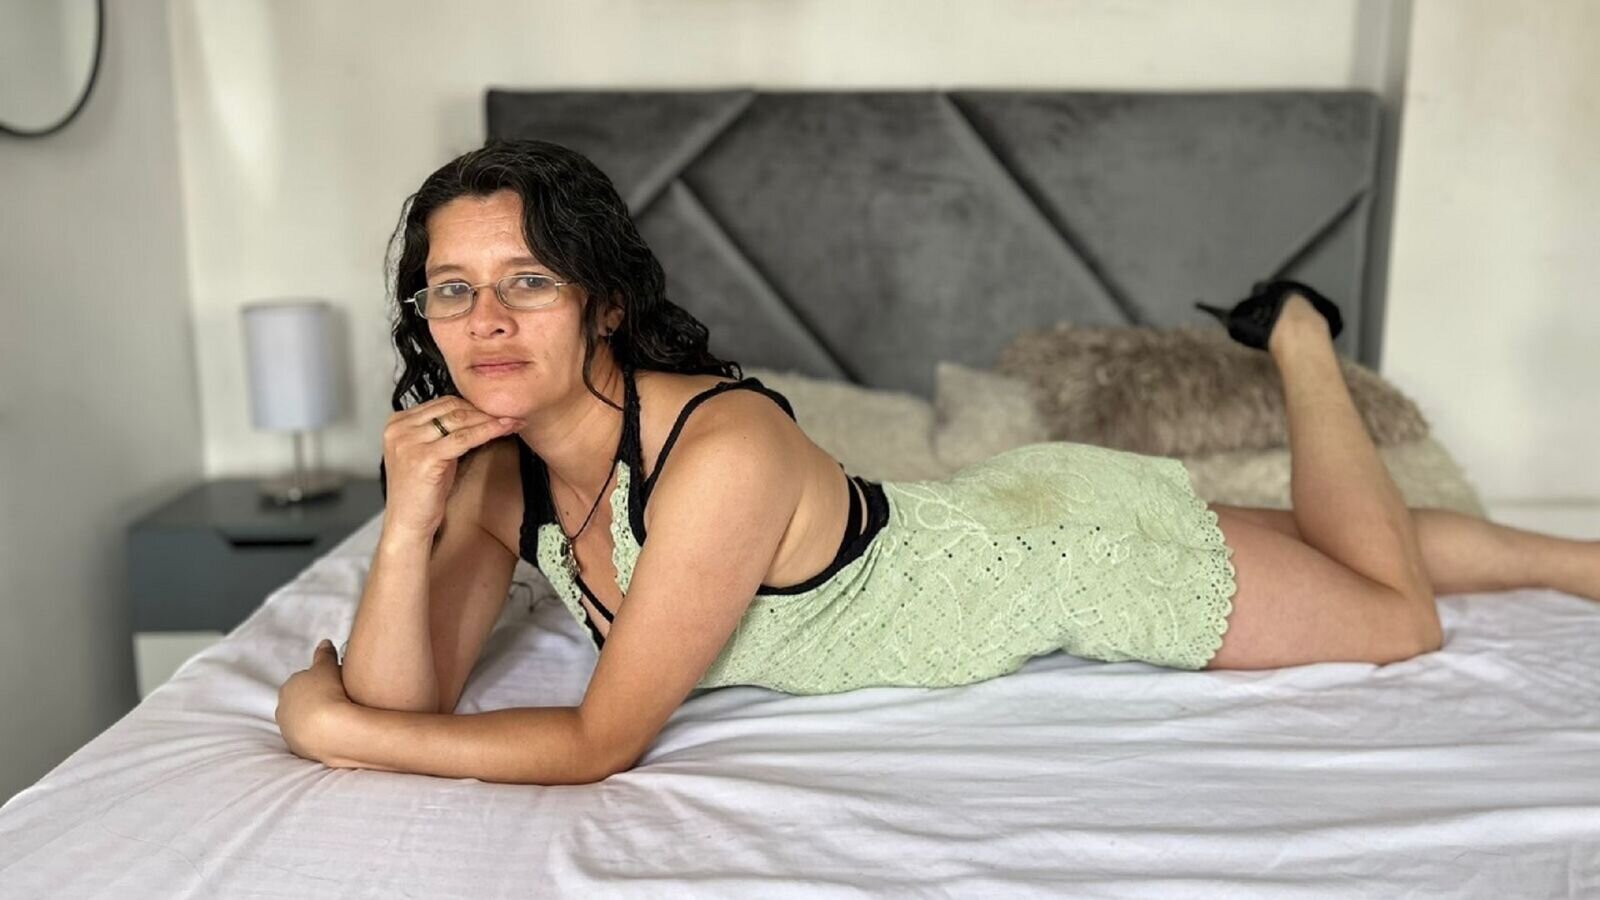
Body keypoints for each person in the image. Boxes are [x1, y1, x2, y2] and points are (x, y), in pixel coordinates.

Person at [274, 139, 1600, 784]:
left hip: (1065, 561)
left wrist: (327, 728)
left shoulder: (719, 449)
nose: (488, 323)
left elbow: (598, 741)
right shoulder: (492, 466)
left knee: (1398, 620)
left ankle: (1298, 338)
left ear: (604, 302)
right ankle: (1573, 559)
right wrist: (408, 526)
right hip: (980, 516)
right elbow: (413, 696)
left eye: (528, 281)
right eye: (453, 290)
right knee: (1301, 545)